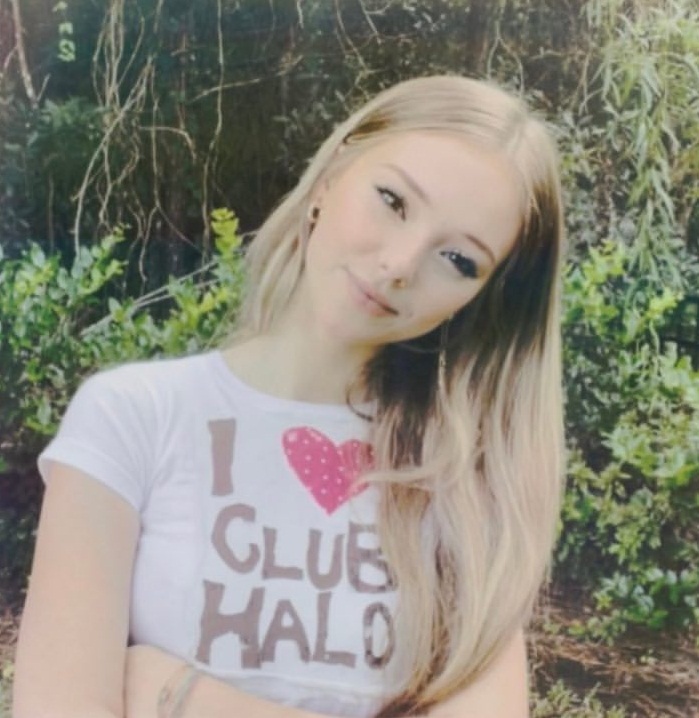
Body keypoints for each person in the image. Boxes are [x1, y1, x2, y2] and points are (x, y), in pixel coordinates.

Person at [13, 74, 565, 718]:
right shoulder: (134, 417)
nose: (399, 264)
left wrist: (185, 695)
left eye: (459, 260)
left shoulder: (464, 486)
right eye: (393, 200)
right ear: (329, 179)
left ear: (481, 301)